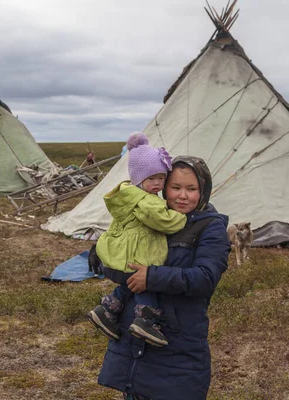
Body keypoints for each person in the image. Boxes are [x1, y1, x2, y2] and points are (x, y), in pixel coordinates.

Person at [98, 156, 231, 400]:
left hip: (177, 339)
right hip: (136, 334)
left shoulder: (210, 228)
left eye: (191, 189)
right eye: (175, 187)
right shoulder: (150, 218)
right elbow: (121, 265)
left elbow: (205, 278)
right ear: (163, 187)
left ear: (203, 190)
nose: (182, 196)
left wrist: (152, 276)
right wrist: (104, 256)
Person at [87, 133, 187, 347]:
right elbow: (163, 221)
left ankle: (106, 310)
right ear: (139, 178)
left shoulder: (131, 194)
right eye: (152, 179)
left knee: (128, 283)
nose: (158, 183)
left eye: (161, 178)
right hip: (133, 255)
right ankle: (146, 321)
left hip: (119, 254)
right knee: (145, 284)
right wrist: (180, 217)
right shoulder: (146, 201)